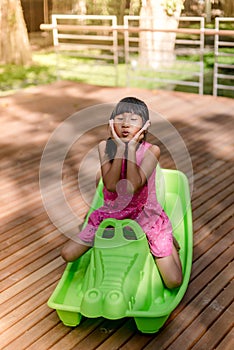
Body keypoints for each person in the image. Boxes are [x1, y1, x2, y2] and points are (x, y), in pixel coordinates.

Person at [61, 97, 182, 289]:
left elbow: (133, 185)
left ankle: (165, 234)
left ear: (145, 126)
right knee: (68, 254)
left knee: (173, 280)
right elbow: (109, 185)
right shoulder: (105, 147)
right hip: (111, 215)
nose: (125, 124)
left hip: (145, 216)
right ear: (111, 123)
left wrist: (131, 148)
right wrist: (120, 148)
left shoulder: (152, 151)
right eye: (120, 118)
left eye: (134, 119)